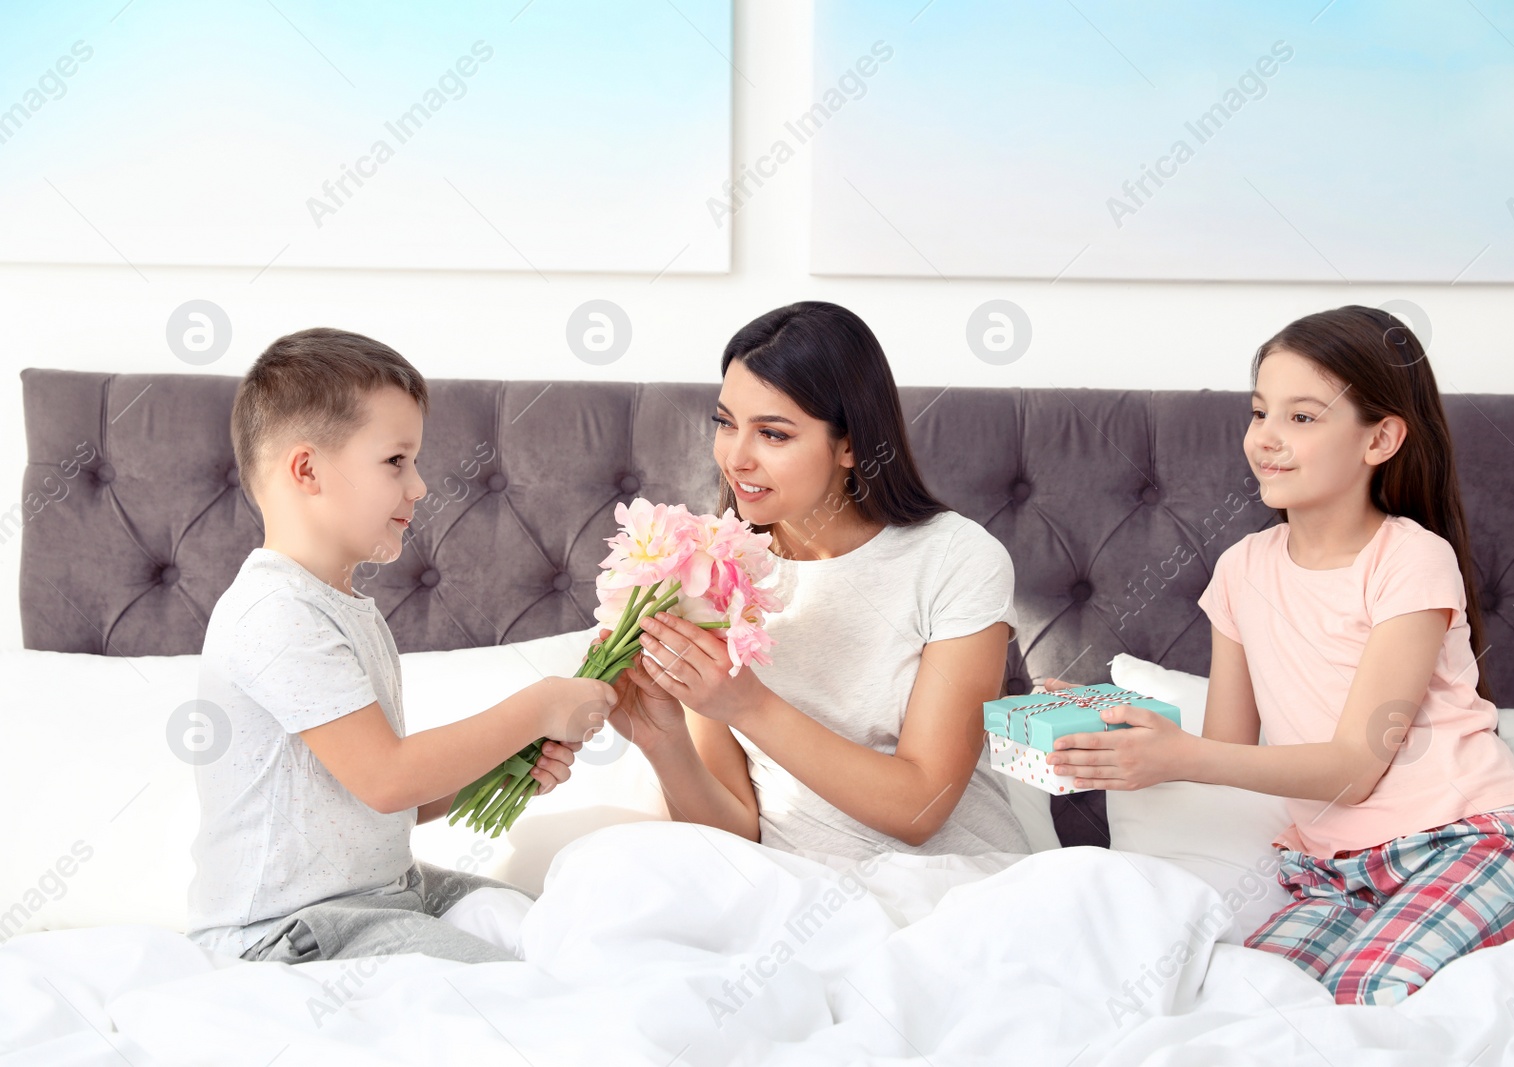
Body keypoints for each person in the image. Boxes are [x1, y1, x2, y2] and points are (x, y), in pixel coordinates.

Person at [1048, 306, 1514, 1005]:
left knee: (1370, 998)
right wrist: (1107, 721)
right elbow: (1228, 745)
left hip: (1469, 845)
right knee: (1243, 1009)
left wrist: (1181, 755)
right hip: (1333, 872)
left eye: (1303, 417)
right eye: (1260, 413)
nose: (1267, 440)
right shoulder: (1241, 568)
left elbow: (1354, 764)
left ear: (1380, 437)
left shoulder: (1411, 559)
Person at [187, 327, 614, 963]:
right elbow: (387, 779)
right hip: (287, 930)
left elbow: (384, 806)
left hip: (383, 892)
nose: (418, 487)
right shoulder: (275, 614)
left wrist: (505, 761)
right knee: (523, 992)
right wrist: (538, 706)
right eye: (396, 461)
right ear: (307, 469)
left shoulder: (346, 609)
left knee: (562, 933)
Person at [611, 301, 1029, 861]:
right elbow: (734, 833)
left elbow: (921, 808)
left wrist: (747, 705)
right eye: (726, 423)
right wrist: (659, 737)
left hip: (949, 886)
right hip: (789, 893)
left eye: (773, 435)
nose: (735, 458)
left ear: (851, 443)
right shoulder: (710, 568)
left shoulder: (957, 559)